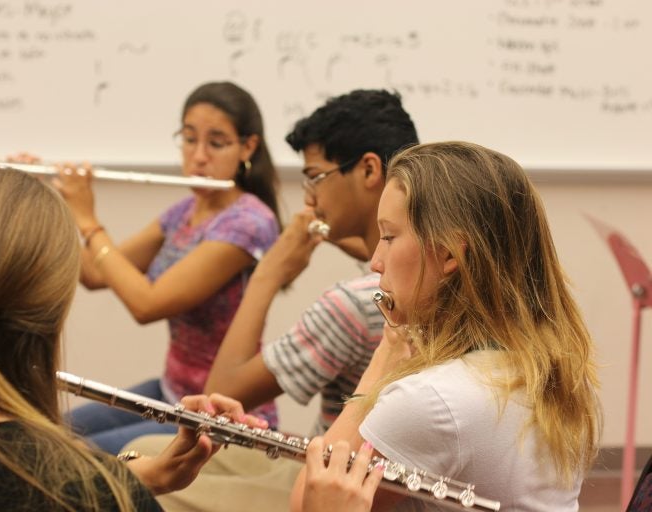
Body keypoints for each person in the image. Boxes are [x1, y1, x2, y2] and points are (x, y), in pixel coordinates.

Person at [0, 169, 270, 511]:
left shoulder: (86, 487)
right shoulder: (87, 492)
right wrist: (113, 487)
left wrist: (125, 478)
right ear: (52, 313)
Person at [122, 89, 419, 512]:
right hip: (345, 470)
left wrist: (268, 273)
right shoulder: (422, 278)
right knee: (145, 445)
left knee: (138, 481)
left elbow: (219, 394)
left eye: (315, 177)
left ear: (369, 170)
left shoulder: (355, 303)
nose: (309, 198)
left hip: (324, 484)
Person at [290, 141, 603, 511]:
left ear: (450, 253)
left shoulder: (431, 400)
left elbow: (310, 499)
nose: (376, 261)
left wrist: (384, 360)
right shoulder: (556, 370)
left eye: (389, 237)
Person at [53, 81, 283, 453]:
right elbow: (96, 274)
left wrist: (87, 219)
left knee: (80, 457)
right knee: (53, 432)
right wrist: (56, 202)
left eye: (216, 142)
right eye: (190, 139)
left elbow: (148, 304)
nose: (199, 156)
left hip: (221, 416)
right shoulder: (184, 211)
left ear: (248, 147)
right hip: (173, 392)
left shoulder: (248, 222)